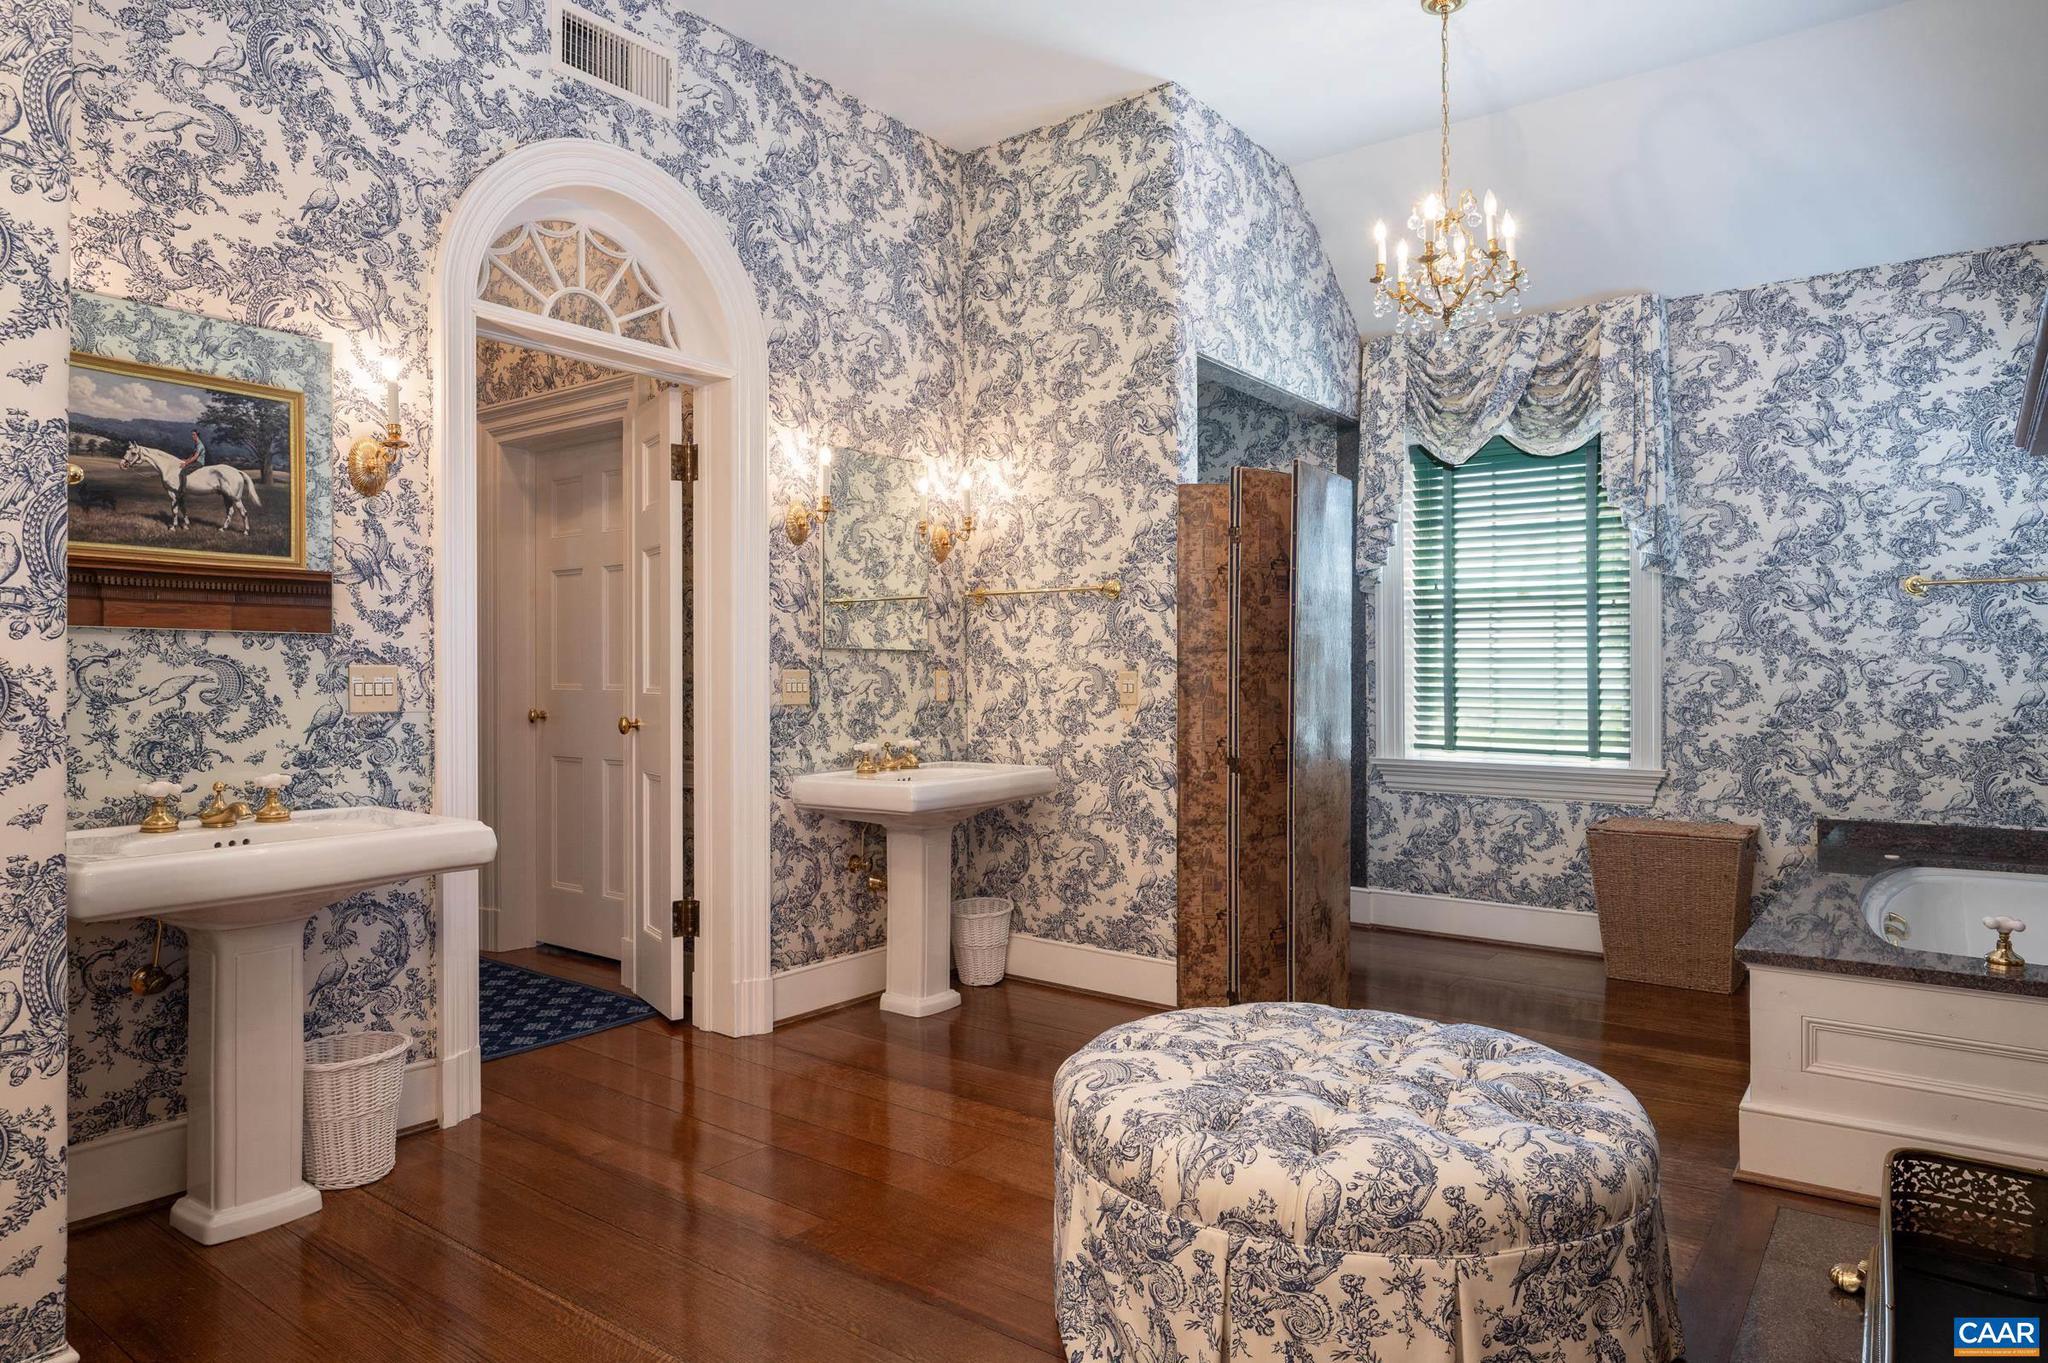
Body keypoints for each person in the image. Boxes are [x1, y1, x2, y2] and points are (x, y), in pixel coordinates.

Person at [174, 429, 209, 519]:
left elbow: (195, 457)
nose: (192, 436)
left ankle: (182, 491)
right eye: (192, 435)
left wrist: (186, 463)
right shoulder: (196, 444)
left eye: (193, 435)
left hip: (199, 463)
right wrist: (186, 460)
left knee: (183, 472)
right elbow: (192, 456)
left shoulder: (200, 445)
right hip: (195, 461)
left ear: (197, 435)